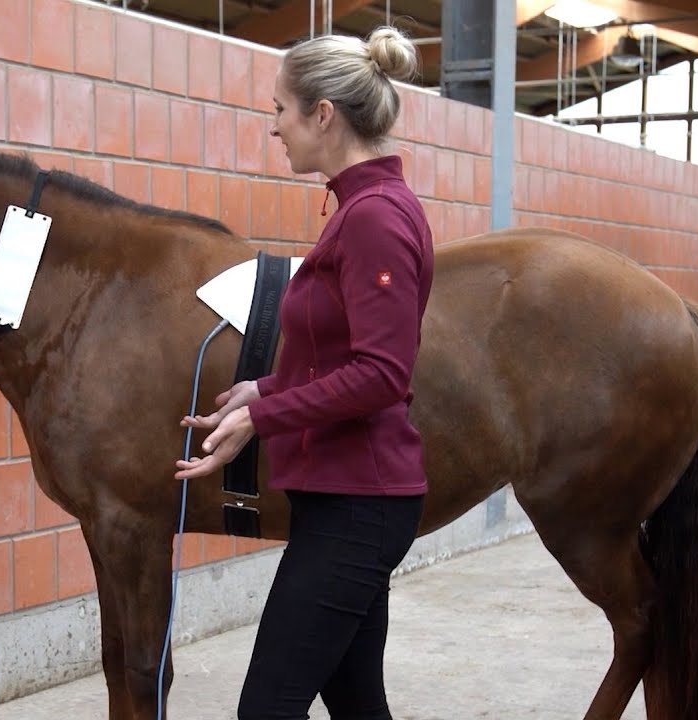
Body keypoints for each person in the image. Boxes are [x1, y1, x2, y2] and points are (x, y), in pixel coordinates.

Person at [174, 25, 434, 720]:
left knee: (268, 707)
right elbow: (344, 356)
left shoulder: (375, 218)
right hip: (345, 498)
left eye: (281, 109)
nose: (274, 128)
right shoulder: (359, 208)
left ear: (324, 115)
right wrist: (267, 387)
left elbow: (382, 375)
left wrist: (261, 416)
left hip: (360, 505)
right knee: (355, 702)